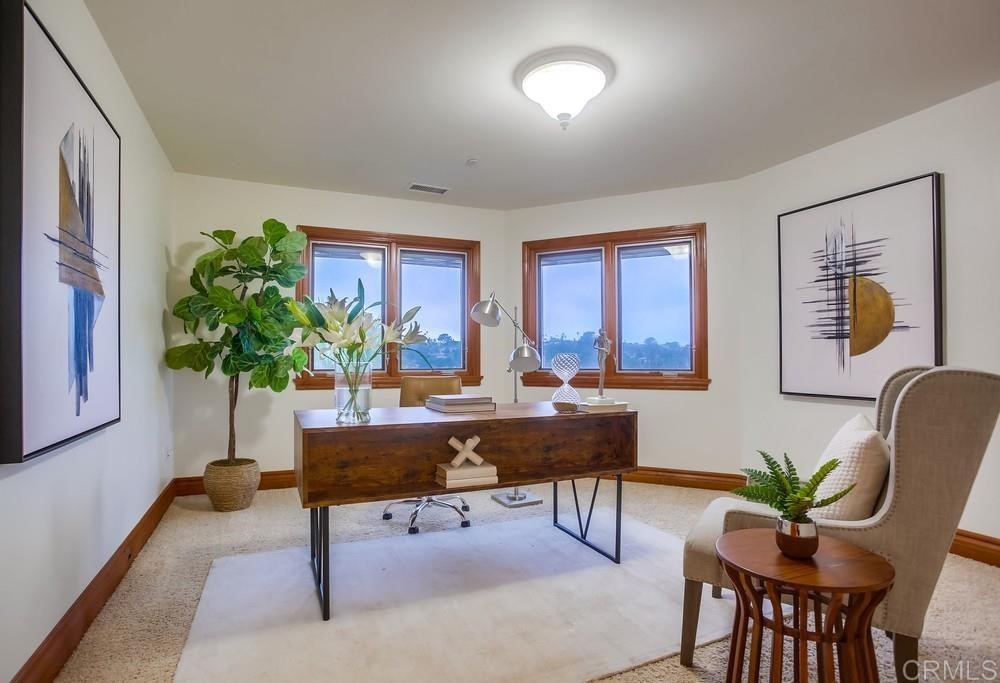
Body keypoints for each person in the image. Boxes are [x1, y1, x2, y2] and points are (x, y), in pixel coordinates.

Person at [593, 328, 612, 397]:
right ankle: (600, 393)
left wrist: (607, 351)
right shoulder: (597, 338)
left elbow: (609, 347)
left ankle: (601, 393)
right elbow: (594, 346)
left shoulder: (606, 339)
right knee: (601, 370)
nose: (603, 332)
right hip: (600, 354)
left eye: (604, 331)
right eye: (601, 331)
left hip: (604, 354)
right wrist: (601, 348)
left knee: (603, 371)